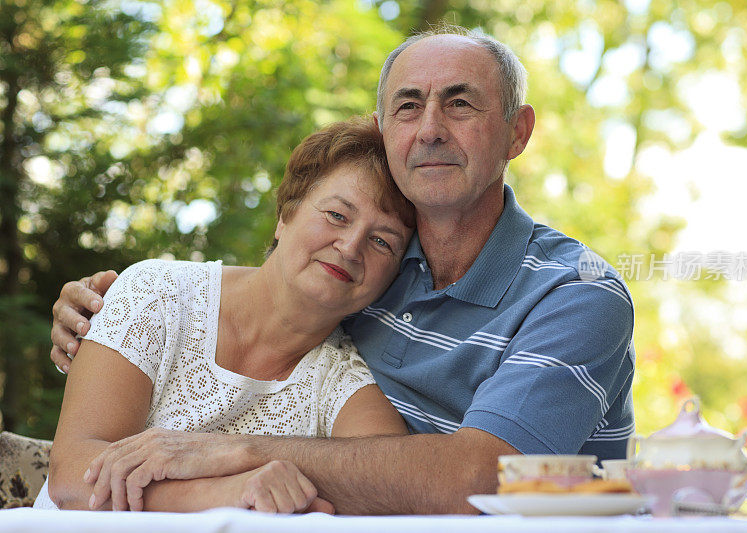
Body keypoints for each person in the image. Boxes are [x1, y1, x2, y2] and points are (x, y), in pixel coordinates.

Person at [49, 26, 635, 515]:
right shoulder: (370, 272)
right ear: (386, 132)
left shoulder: (577, 293)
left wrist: (238, 453)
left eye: (460, 103)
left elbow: (482, 480)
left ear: (517, 131)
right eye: (408, 105)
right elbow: (269, 284)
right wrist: (112, 302)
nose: (430, 128)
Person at [35, 118, 415, 512]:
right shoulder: (158, 295)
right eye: (337, 215)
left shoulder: (345, 379)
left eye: (382, 241)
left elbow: (389, 487)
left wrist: (246, 462)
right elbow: (73, 477)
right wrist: (227, 493)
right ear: (285, 215)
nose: (351, 247)